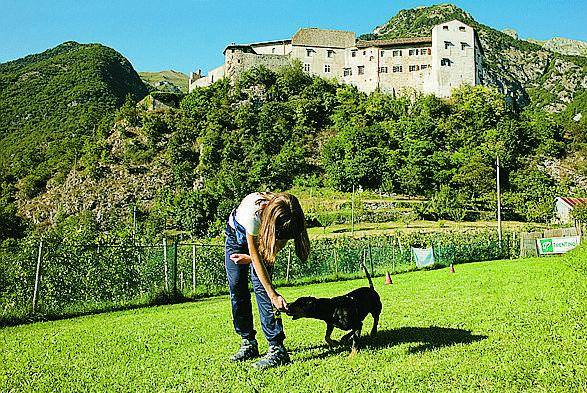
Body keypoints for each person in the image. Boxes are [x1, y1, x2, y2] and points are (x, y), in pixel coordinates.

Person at [225, 192, 310, 369]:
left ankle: (277, 348)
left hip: (262, 240)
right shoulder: (254, 215)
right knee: (237, 287)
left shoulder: (289, 216)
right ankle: (248, 342)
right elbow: (256, 254)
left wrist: (252, 260)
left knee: (263, 290)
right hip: (237, 236)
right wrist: (274, 294)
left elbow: (271, 251)